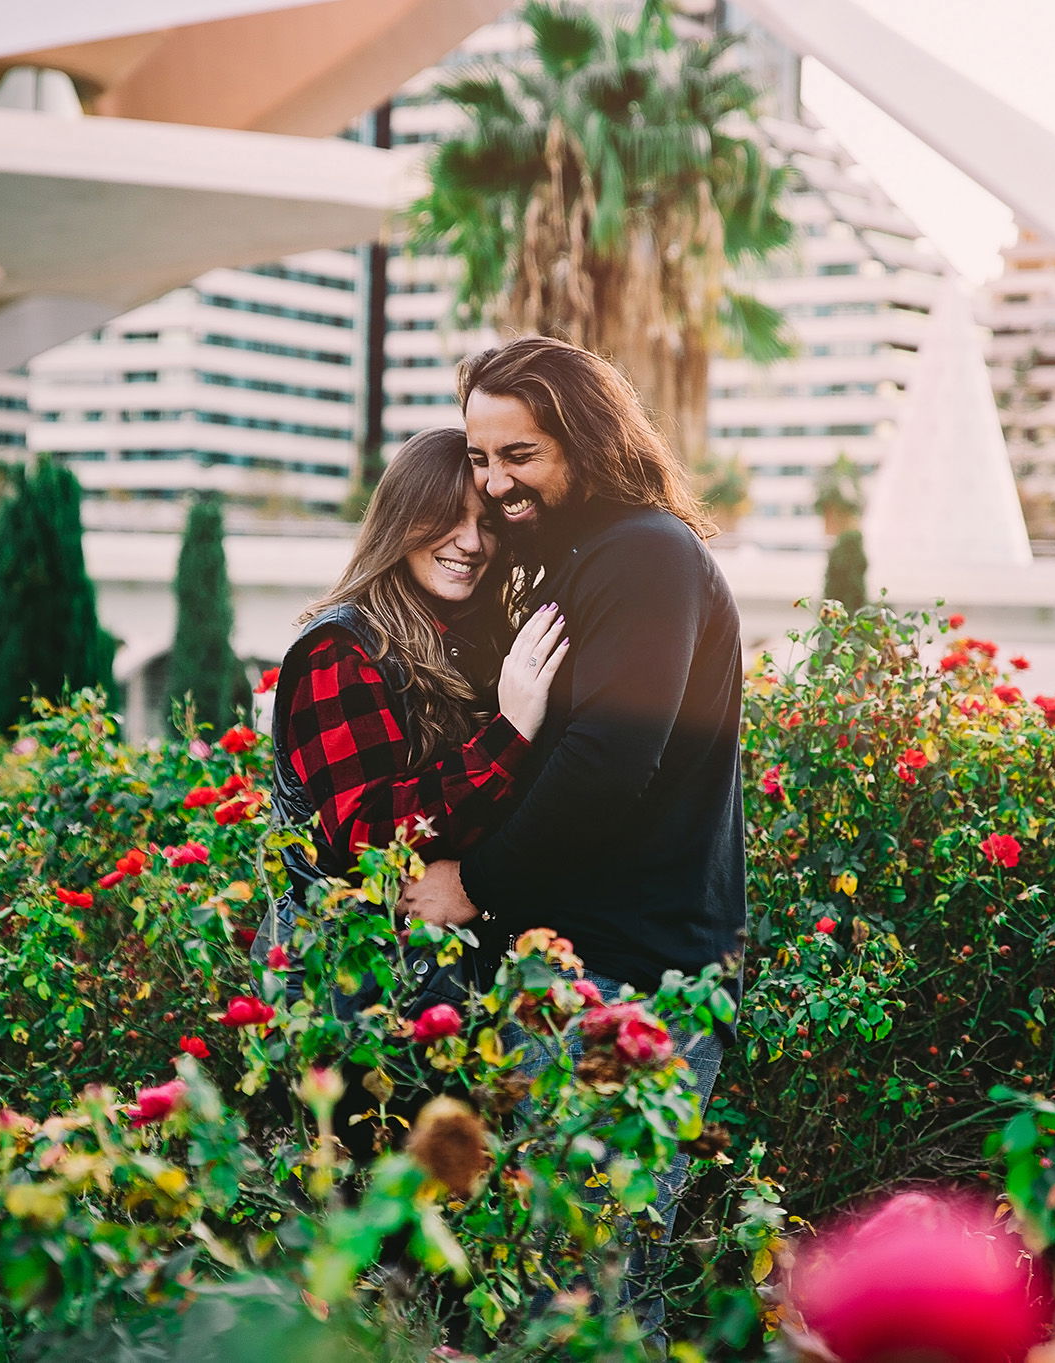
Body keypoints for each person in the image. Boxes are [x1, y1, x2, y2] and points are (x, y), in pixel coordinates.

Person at [397, 336, 749, 1339]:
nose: (495, 480)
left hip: (635, 976)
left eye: (522, 455)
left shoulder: (644, 552)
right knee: (546, 1276)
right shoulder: (576, 556)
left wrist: (476, 881)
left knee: (590, 1285)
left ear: (585, 442)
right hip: (572, 967)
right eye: (479, 455)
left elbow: (608, 758)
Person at [259, 425, 570, 1036]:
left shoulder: (477, 643)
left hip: (440, 982)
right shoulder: (342, 650)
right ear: (401, 521)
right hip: (347, 987)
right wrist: (510, 732)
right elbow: (366, 834)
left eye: (487, 523)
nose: (471, 543)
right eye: (447, 519)